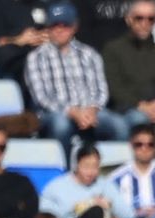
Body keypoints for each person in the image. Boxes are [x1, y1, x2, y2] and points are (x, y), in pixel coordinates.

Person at [27, 2, 129, 150]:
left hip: (90, 111)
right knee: (61, 126)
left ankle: (112, 170)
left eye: (65, 25)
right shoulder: (36, 57)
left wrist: (93, 109)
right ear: (48, 27)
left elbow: (101, 90)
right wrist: (72, 111)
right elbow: (42, 98)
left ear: (74, 27)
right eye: (55, 25)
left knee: (120, 126)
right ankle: (65, 170)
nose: (60, 30)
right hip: (56, 113)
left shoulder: (89, 54)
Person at [40, 145, 150, 218]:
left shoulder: (105, 184)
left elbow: (129, 216)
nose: (91, 172)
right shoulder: (57, 186)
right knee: (95, 212)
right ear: (77, 165)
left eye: (95, 167)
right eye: (86, 166)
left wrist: (111, 205)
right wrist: (80, 206)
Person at [102, 0, 155, 131]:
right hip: (125, 111)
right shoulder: (113, 50)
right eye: (139, 18)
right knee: (140, 120)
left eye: (150, 19)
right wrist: (141, 106)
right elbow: (114, 88)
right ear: (128, 19)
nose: (144, 23)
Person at [0, 0, 49, 87]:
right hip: (16, 60)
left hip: (42, 55)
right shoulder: (1, 5)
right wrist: (20, 40)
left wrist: (45, 36)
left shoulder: (41, 5)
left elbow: (54, 32)